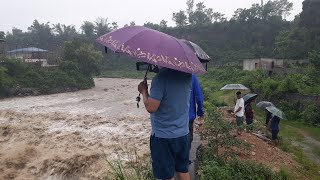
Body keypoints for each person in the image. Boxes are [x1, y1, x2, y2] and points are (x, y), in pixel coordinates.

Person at [138, 67, 192, 180]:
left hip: (163, 137)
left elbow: (151, 107)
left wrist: (144, 91)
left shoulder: (160, 79)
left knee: (165, 176)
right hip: (183, 134)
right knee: (182, 170)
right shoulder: (187, 76)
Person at [188, 74, 204, 162]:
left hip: (172, 118)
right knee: (188, 138)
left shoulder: (168, 76)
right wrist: (200, 112)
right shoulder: (192, 77)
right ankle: (185, 158)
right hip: (188, 116)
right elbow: (199, 97)